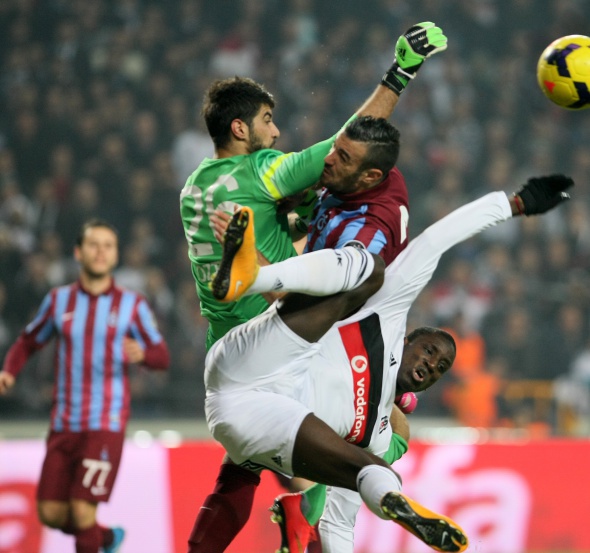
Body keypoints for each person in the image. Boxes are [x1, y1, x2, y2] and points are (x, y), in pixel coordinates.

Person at [182, 21, 448, 553]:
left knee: (242, 460)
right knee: (373, 420)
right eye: (267, 120)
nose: (277, 132)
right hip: (279, 338)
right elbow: (344, 144)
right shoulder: (262, 170)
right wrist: (399, 75)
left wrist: (294, 220)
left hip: (224, 346)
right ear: (240, 129)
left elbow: (290, 221)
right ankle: (315, 510)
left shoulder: (195, 185)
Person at [207, 174, 573, 553]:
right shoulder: (388, 313)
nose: (432, 365)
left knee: (369, 469)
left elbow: (340, 523)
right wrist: (513, 204)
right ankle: (254, 274)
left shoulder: (377, 434)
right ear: (409, 338)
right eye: (430, 351)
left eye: (440, 369)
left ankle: (368, 501)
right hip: (252, 371)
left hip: (263, 426)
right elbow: (436, 240)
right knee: (367, 274)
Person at [0, 218, 170, 553]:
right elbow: (28, 341)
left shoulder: (132, 305)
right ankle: (106, 539)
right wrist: (9, 371)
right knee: (50, 513)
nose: (100, 252)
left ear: (116, 255)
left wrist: (144, 355)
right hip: (64, 423)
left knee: (81, 510)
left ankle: (99, 539)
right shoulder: (58, 301)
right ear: (78, 252)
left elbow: (162, 356)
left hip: (105, 424)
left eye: (108, 246)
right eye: (93, 244)